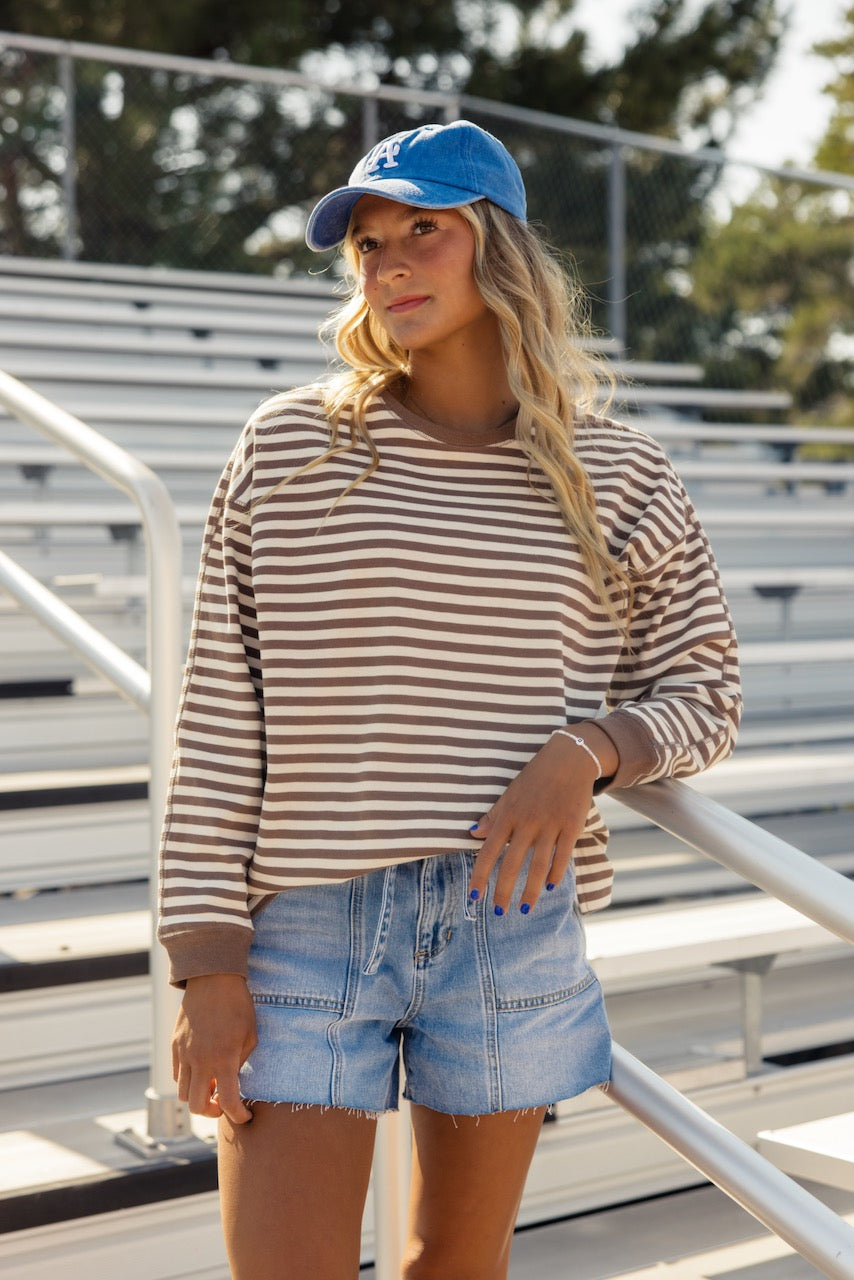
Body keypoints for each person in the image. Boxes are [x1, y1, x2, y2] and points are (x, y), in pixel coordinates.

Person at [159, 119, 741, 1279]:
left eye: (422, 229)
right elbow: (221, 717)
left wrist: (586, 749)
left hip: (507, 918)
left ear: (498, 249)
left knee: (452, 1272)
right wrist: (204, 961)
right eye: (369, 242)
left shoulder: (620, 474)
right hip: (306, 925)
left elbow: (707, 687)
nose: (388, 263)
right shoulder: (288, 451)